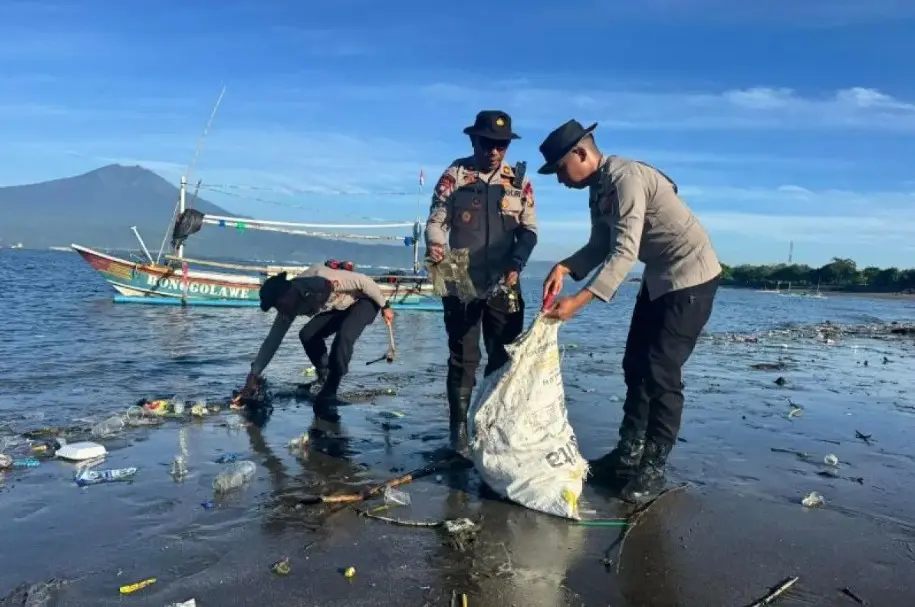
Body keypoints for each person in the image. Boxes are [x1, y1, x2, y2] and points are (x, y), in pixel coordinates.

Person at [538, 119, 721, 503]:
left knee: (661, 370)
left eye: (558, 170)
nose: (558, 180)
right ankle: (628, 453)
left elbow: (624, 252)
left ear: (581, 153)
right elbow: (599, 246)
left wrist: (579, 301)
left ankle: (653, 464)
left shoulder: (626, 178)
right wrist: (565, 267)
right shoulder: (598, 189)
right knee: (634, 363)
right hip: (659, 276)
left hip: (692, 275)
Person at [425, 110, 538, 455]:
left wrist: (516, 264)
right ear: (474, 140)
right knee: (463, 356)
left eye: (500, 145)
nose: (494, 151)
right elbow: (437, 219)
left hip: (506, 278)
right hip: (459, 273)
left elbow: (529, 230)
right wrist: (435, 242)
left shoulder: (518, 181)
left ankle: (491, 425)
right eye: (488, 143)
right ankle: (458, 434)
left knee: (504, 356)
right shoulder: (454, 175)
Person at [243, 265, 395, 422]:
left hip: (364, 300)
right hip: (340, 306)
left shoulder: (322, 279)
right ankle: (324, 375)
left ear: (287, 294)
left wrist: (385, 306)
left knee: (344, 337)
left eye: (278, 305)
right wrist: (254, 374)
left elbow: (364, 282)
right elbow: (272, 340)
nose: (279, 310)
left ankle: (331, 387)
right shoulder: (287, 308)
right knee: (307, 335)